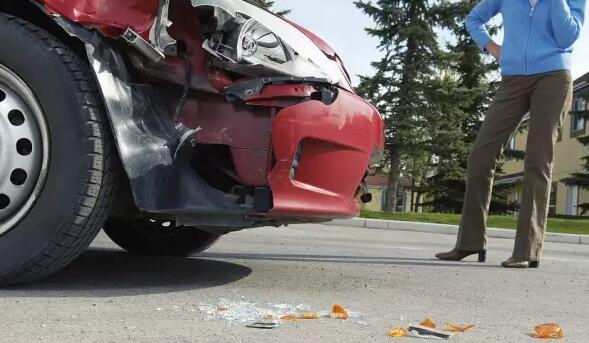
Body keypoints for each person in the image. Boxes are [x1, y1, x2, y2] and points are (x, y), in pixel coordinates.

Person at [436, 0, 587, 268]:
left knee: (537, 161)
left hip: (553, 78)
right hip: (513, 79)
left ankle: (527, 250)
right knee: (480, 157)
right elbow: (474, 19)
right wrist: (492, 47)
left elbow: (568, 36)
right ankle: (470, 242)